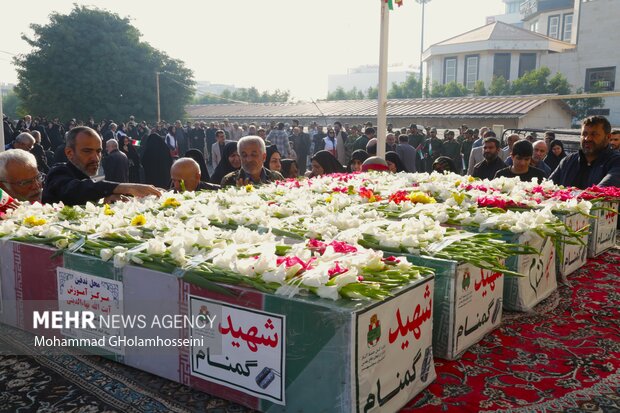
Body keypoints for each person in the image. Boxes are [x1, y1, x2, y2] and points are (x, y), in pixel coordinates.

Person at [42, 126, 161, 205]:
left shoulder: (96, 172)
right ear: (69, 153)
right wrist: (127, 187)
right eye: (87, 151)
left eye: (98, 151)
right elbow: (77, 190)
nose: (95, 157)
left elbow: (98, 189)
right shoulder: (58, 172)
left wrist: (111, 197)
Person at [550, 115, 620, 189]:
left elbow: (601, 193)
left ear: (608, 137)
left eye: (594, 134)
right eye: (584, 134)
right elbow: (547, 188)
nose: (587, 138)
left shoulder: (616, 161)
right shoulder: (567, 161)